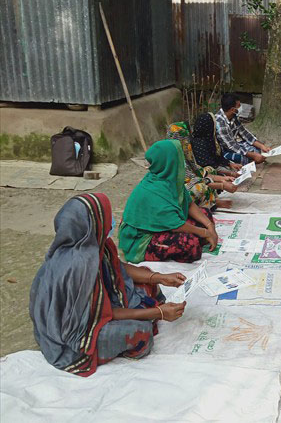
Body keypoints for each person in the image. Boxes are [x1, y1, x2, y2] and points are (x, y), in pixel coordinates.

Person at [29, 193, 187, 376]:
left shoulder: (93, 244)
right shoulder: (79, 268)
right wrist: (158, 312)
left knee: (146, 277)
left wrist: (158, 277)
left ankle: (149, 312)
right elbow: (102, 315)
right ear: (93, 222)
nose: (112, 222)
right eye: (106, 217)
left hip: (100, 305)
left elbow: (118, 268)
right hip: (79, 332)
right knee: (140, 333)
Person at [119, 140, 219, 264]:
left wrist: (210, 227)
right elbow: (177, 226)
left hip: (166, 225)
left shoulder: (170, 180)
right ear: (169, 162)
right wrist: (205, 233)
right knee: (190, 244)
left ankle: (199, 237)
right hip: (143, 238)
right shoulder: (153, 191)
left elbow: (189, 204)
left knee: (205, 214)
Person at [166, 120, 239, 210]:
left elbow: (199, 171)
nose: (187, 141)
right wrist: (221, 185)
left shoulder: (185, 152)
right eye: (184, 139)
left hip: (190, 181)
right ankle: (211, 203)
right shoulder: (173, 157)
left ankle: (211, 199)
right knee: (199, 189)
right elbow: (190, 182)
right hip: (176, 192)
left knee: (209, 170)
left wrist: (223, 179)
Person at [214, 93, 271, 164]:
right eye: (239, 106)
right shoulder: (219, 123)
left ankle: (252, 160)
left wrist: (263, 147)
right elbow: (230, 146)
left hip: (235, 145)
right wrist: (253, 155)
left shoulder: (233, 117)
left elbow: (245, 134)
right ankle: (251, 160)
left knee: (256, 148)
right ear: (232, 109)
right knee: (239, 157)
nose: (241, 107)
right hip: (224, 150)